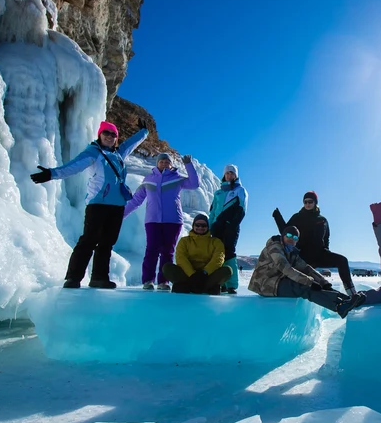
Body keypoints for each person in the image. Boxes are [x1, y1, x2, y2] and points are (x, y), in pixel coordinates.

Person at [30, 119, 149, 289]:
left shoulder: (118, 154)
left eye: (113, 134)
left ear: (116, 138)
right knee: (89, 240)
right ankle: (73, 278)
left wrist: (144, 132)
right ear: (99, 135)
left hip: (117, 206)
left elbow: (131, 144)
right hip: (97, 204)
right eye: (106, 133)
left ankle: (99, 278)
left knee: (107, 243)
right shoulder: (94, 153)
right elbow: (74, 166)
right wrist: (51, 174)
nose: (109, 136)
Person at [248, 226, 364, 319]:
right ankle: (338, 307)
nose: (291, 239)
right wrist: (309, 282)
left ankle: (346, 300)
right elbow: (285, 268)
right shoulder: (275, 247)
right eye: (288, 235)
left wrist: (323, 281)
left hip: (278, 281)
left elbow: (306, 268)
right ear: (283, 236)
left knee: (317, 285)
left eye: (295, 237)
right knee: (304, 286)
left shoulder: (292, 252)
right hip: (264, 284)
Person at [124, 153, 200, 291]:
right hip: (153, 221)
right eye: (162, 161)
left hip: (173, 221)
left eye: (167, 162)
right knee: (151, 250)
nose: (164, 163)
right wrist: (121, 215)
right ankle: (148, 280)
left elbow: (194, 184)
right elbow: (136, 200)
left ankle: (163, 281)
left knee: (168, 252)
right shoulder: (148, 180)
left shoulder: (177, 178)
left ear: (171, 165)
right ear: (157, 163)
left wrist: (188, 164)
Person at [273, 192, 357, 296]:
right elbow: (286, 232)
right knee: (307, 280)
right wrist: (277, 217)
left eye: (310, 201)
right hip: (303, 256)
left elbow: (326, 237)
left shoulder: (322, 220)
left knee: (342, 261)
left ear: (315, 203)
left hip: (320, 254)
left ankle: (352, 293)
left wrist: (326, 249)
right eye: (305, 202)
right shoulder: (297, 217)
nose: (307, 204)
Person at [162, 214, 232, 294]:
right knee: (167, 267)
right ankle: (208, 288)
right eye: (197, 225)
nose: (200, 227)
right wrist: (192, 274)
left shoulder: (216, 242)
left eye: (203, 225)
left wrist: (204, 273)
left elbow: (218, 259)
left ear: (208, 227)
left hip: (207, 276)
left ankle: (185, 286)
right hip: (188, 275)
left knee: (227, 270)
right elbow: (181, 258)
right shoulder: (184, 241)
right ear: (193, 226)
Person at [209, 164, 248, 294]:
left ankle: (231, 284)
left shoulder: (240, 190)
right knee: (217, 254)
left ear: (236, 175)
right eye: (227, 173)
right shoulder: (218, 192)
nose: (229, 175)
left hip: (231, 227)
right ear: (224, 175)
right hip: (217, 227)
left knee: (229, 252)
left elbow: (242, 209)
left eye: (232, 173)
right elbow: (213, 211)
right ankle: (221, 283)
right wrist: (210, 226)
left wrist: (233, 225)